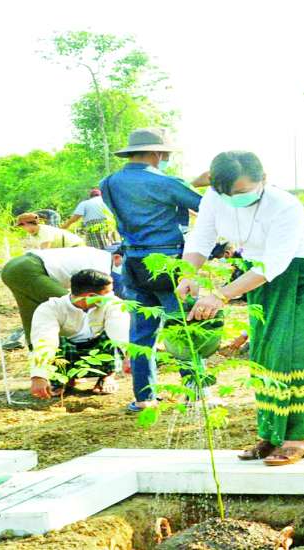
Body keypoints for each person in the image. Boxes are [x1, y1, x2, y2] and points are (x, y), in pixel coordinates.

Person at [179, 150, 304, 466]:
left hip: (303, 275)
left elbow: (276, 261)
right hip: (258, 277)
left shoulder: (284, 205)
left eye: (243, 192)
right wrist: (187, 276)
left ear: (263, 181)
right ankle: (272, 434)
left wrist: (220, 295)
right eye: (226, 192)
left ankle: (299, 437)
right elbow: (200, 239)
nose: (233, 199)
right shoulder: (214, 199)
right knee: (268, 351)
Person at [100, 128, 202, 412]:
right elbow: (203, 206)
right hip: (166, 261)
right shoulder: (167, 182)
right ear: (158, 153)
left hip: (132, 260)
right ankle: (196, 392)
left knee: (141, 331)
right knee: (183, 327)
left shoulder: (108, 183)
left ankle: (144, 398)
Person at [27, 269, 129, 399]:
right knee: (57, 343)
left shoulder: (113, 303)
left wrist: (129, 356)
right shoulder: (50, 308)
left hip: (97, 350)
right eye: (107, 293)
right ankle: (65, 380)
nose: (112, 295)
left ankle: (107, 376)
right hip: (67, 351)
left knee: (110, 340)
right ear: (91, 296)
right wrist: (38, 375)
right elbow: (44, 341)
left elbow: (120, 333)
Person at [0, 246, 117, 349]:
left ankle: (35, 352)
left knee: (31, 312)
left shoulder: (97, 254)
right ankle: (82, 347)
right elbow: (92, 298)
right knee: (71, 305)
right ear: (117, 257)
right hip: (28, 269)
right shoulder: (102, 266)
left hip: (14, 267)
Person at [16, 212, 85, 249]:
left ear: (26, 224)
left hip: (76, 247)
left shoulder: (44, 230)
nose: (23, 229)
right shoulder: (32, 235)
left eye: (22, 226)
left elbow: (45, 251)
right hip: (65, 250)